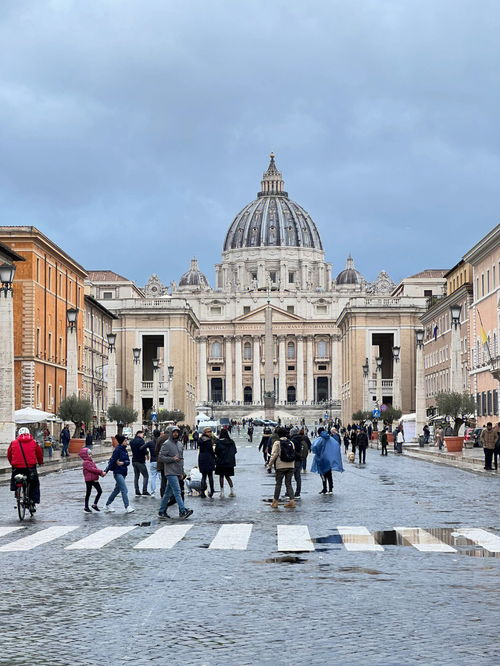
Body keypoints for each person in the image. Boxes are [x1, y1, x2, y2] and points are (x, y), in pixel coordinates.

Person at [158, 426, 193, 520]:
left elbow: (181, 460)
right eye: (174, 432)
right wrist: (172, 459)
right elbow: (161, 457)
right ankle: (183, 510)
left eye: (177, 432)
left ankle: (161, 511)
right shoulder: (166, 444)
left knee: (167, 493)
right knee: (177, 491)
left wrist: (182, 472)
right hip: (170, 471)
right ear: (170, 433)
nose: (176, 434)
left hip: (177, 471)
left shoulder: (180, 444)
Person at [8, 427, 44, 507]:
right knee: (34, 483)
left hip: (17, 467)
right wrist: (40, 462)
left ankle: (17, 491)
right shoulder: (34, 442)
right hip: (30, 467)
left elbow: (9, 455)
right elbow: (39, 453)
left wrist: (12, 463)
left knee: (15, 478)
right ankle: (33, 501)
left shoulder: (13, 443)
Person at [103, 435, 134, 513]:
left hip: (123, 472)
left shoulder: (125, 450)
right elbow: (112, 461)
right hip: (117, 472)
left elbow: (128, 462)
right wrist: (105, 471)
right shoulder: (117, 450)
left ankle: (107, 504)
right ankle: (127, 506)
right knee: (124, 489)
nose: (127, 442)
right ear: (122, 442)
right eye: (125, 441)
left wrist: (123, 463)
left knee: (117, 490)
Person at [267, 427, 296, 509]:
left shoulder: (277, 442)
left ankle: (275, 502)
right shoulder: (291, 442)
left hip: (280, 466)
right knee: (289, 484)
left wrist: (269, 465)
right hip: (291, 465)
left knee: (278, 484)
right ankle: (292, 501)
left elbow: (274, 455)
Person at [311, 426, 344, 494]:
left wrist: (317, 452)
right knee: (329, 474)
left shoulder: (320, 439)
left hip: (321, 459)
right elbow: (336, 444)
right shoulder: (329, 438)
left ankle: (325, 488)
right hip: (328, 459)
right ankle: (331, 489)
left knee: (322, 474)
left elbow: (314, 447)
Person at [79, 447, 106, 513]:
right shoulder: (86, 462)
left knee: (99, 491)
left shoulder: (91, 461)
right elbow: (92, 469)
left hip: (94, 479)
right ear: (85, 455)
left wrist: (100, 474)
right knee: (88, 493)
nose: (91, 455)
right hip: (89, 480)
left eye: (91, 454)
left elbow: (95, 470)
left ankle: (94, 504)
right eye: (89, 454)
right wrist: (101, 472)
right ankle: (86, 507)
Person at [214, 428, 237, 497]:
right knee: (228, 476)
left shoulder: (218, 442)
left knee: (221, 477)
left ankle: (222, 492)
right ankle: (232, 491)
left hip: (221, 461)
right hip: (229, 462)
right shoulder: (231, 442)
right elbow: (235, 451)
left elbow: (216, 451)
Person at [129, 430, 150, 497]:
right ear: (139, 434)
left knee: (136, 476)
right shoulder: (141, 441)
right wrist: (147, 454)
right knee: (146, 475)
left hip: (134, 460)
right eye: (142, 434)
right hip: (140, 460)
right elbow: (143, 449)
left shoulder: (132, 441)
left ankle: (137, 490)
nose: (143, 435)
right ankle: (144, 490)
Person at [198, 426, 216, 498]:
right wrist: (214, 458)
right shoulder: (208, 440)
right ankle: (211, 490)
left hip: (202, 457)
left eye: (211, 431)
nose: (210, 433)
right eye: (209, 431)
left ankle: (202, 492)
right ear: (205, 432)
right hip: (208, 457)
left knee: (204, 476)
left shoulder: (200, 439)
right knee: (210, 475)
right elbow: (211, 450)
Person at [289, 426, 305, 499]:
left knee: (289, 478)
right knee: (298, 477)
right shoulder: (302, 438)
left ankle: (289, 492)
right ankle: (298, 492)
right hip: (300, 459)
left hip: (294, 460)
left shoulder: (292, 440)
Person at [148, 429, 161, 496]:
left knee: (153, 477)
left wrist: (146, 453)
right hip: (160, 461)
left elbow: (142, 447)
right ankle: (163, 490)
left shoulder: (150, 442)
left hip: (152, 461)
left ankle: (153, 492)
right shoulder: (161, 442)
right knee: (161, 477)